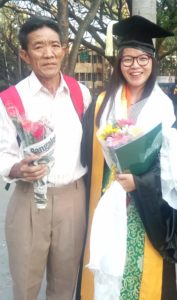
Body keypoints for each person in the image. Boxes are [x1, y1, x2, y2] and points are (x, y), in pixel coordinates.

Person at [79, 15, 177, 300]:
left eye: (143, 58)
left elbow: (171, 163)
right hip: (106, 197)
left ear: (153, 61)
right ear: (118, 64)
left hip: (146, 206)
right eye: (127, 59)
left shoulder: (166, 107)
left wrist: (141, 182)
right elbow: (85, 153)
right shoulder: (101, 103)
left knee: (137, 275)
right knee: (107, 273)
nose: (135, 66)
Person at [0, 16, 91, 300]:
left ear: (64, 49)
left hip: (74, 200)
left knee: (65, 286)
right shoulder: (10, 99)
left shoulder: (81, 93)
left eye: (54, 45)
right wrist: (16, 168)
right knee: (25, 286)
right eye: (39, 46)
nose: (48, 53)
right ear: (25, 55)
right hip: (29, 201)